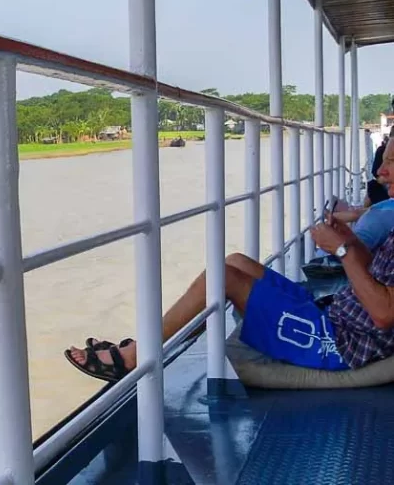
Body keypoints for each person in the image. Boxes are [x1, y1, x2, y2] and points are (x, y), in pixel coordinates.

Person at [64, 138, 394, 383]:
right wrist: (348, 239)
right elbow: (373, 274)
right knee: (236, 260)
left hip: (340, 341)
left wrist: (341, 251)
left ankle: (133, 355)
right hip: (334, 311)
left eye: (392, 161)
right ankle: (157, 338)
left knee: (221, 277)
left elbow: (383, 314)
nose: (380, 171)